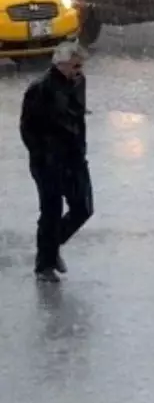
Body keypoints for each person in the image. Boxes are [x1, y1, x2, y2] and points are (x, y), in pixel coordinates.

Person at [19, 41, 94, 283]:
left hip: (74, 157)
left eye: (81, 66)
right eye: (75, 66)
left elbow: (78, 118)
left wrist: (80, 149)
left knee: (83, 207)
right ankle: (45, 265)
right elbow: (27, 129)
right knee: (51, 210)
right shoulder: (40, 89)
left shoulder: (79, 82)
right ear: (60, 65)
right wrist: (43, 155)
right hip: (48, 161)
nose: (79, 70)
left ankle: (51, 248)